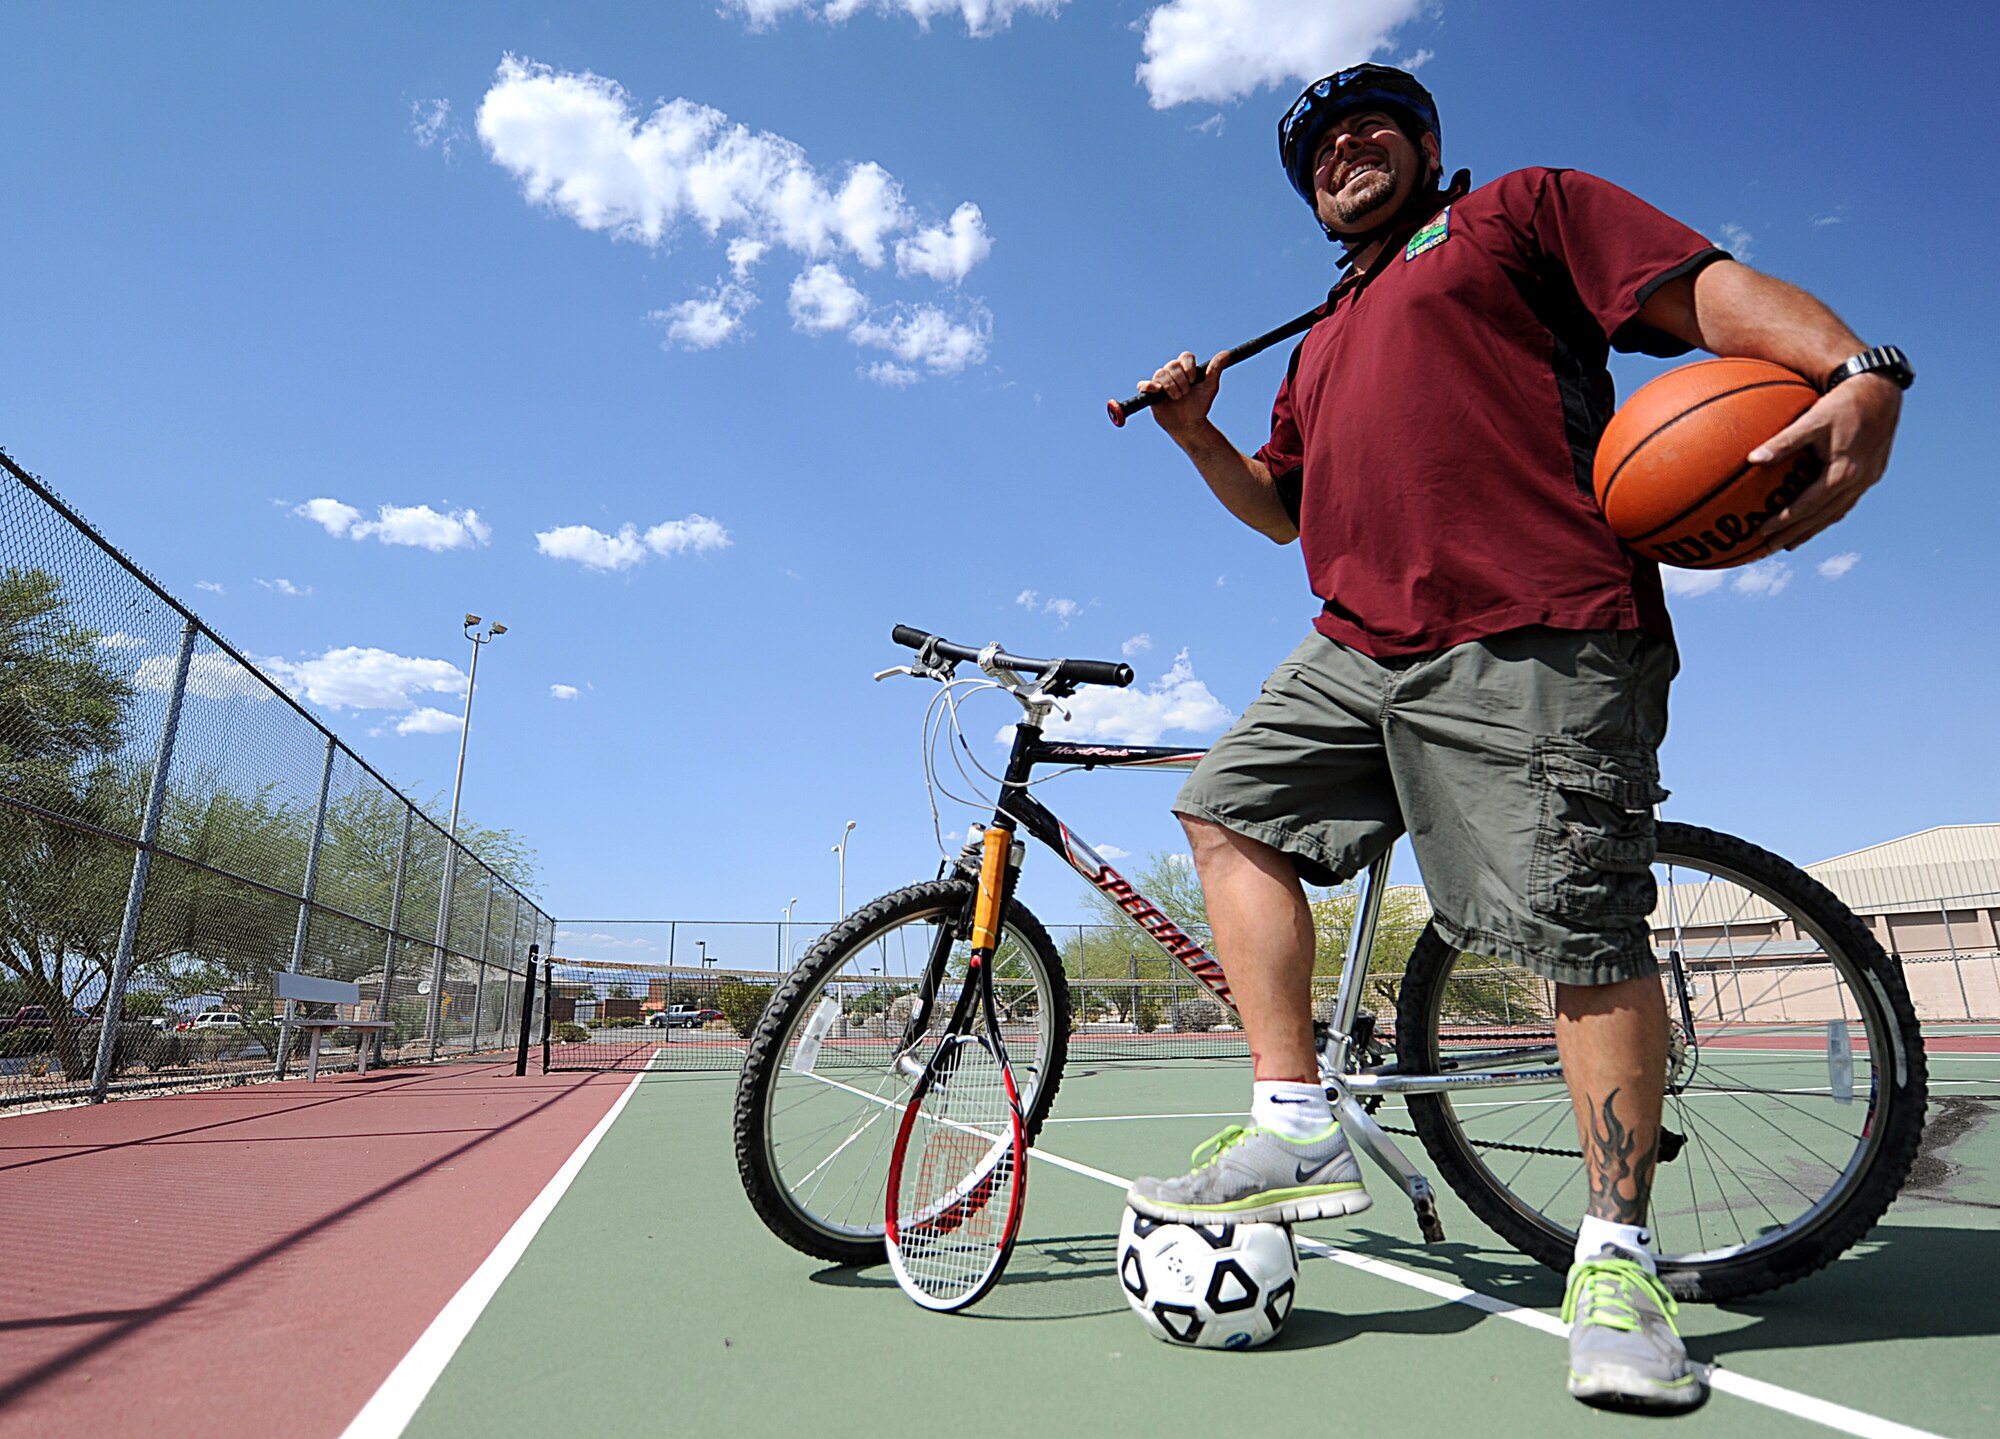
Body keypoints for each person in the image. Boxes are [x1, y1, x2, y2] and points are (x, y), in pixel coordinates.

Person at [1123, 64, 1909, 1412]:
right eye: (1316, 146)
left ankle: (1615, 1262)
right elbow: (1279, 508)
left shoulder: (1519, 215)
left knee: (1575, 930)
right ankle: (1295, 1123)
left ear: (1427, 147)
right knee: (1222, 804)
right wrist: (1200, 437)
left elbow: (1704, 290)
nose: (1342, 148)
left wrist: (1853, 367)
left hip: (1538, 625)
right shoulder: (1317, 342)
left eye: (1370, 125)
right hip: (1361, 640)